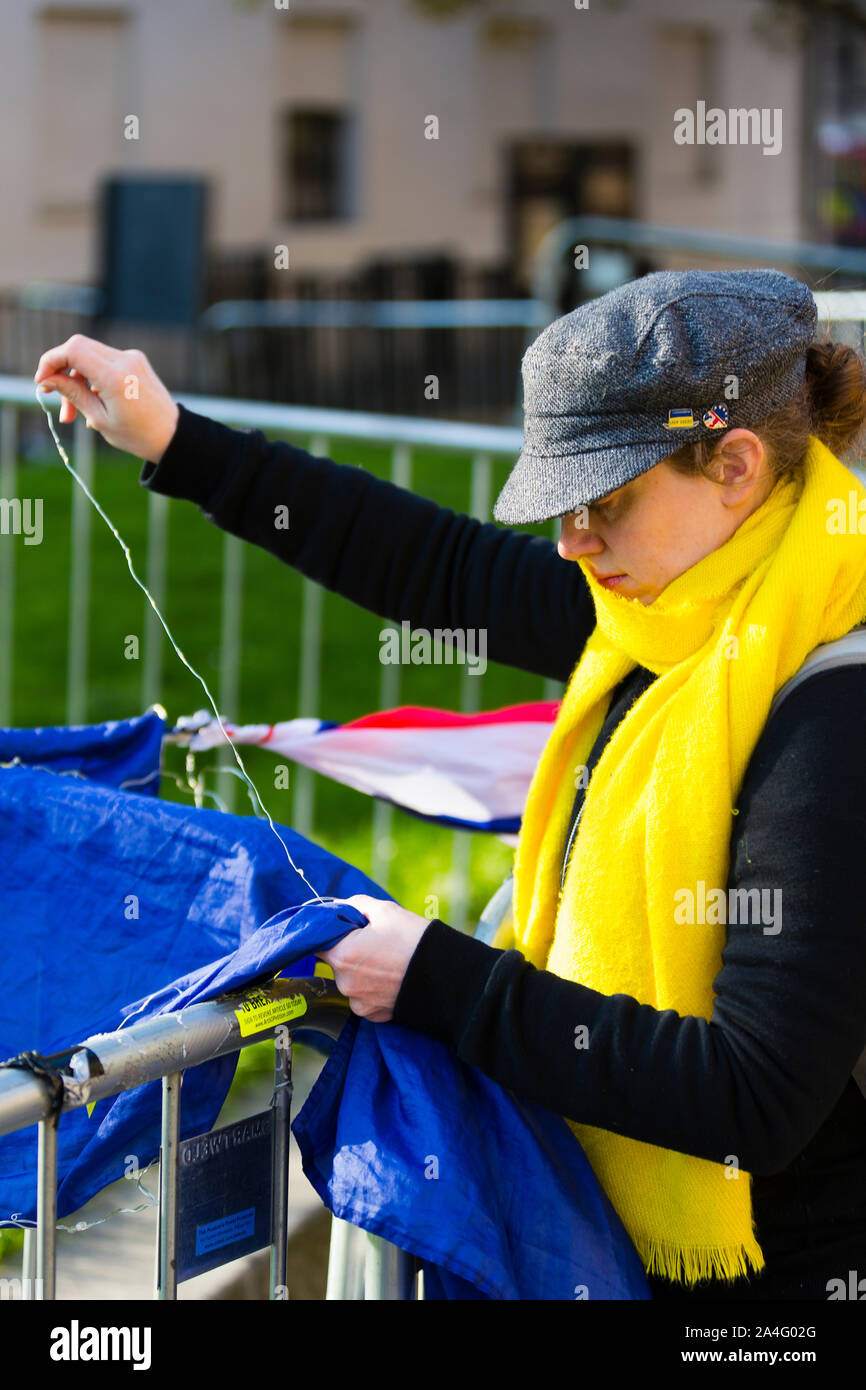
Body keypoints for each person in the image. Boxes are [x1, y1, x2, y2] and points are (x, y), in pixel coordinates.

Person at [33, 269, 866, 1301]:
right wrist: (176, 437)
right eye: (558, 507)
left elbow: (752, 1093)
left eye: (602, 502)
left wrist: (438, 978)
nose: (569, 542)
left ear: (734, 463)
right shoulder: (672, 609)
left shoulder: (827, 710)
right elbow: (439, 567)